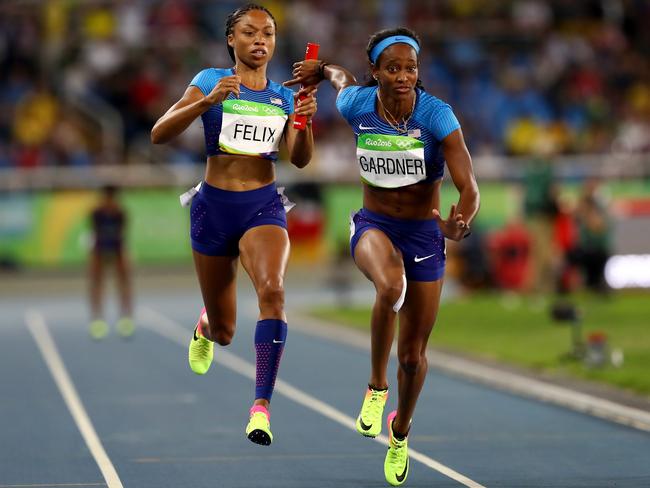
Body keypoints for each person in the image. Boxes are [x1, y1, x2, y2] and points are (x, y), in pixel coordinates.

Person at [285, 28, 479, 485]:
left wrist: (460, 222)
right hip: (374, 226)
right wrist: (322, 68)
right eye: (392, 68)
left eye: (410, 68)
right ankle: (375, 387)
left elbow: (468, 185)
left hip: (425, 235)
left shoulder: (437, 116)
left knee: (413, 356)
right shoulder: (358, 104)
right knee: (390, 285)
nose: (403, 76)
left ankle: (400, 432)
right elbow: (339, 79)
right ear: (376, 73)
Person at [150, 4, 317, 446]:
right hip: (213, 208)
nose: (259, 40)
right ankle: (206, 325)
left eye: (267, 33)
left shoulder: (283, 96)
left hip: (263, 207)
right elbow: (159, 133)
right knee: (225, 333)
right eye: (249, 32)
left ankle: (260, 407)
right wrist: (206, 103)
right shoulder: (208, 81)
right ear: (232, 40)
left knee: (273, 291)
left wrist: (303, 119)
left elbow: (299, 157)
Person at [88, 184, 134, 339]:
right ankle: (97, 320)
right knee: (96, 282)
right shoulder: (96, 213)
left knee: (124, 281)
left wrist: (124, 254)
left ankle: (125, 318)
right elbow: (94, 233)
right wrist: (94, 253)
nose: (109, 201)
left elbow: (122, 234)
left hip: (117, 248)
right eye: (107, 198)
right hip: (100, 249)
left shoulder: (120, 213)